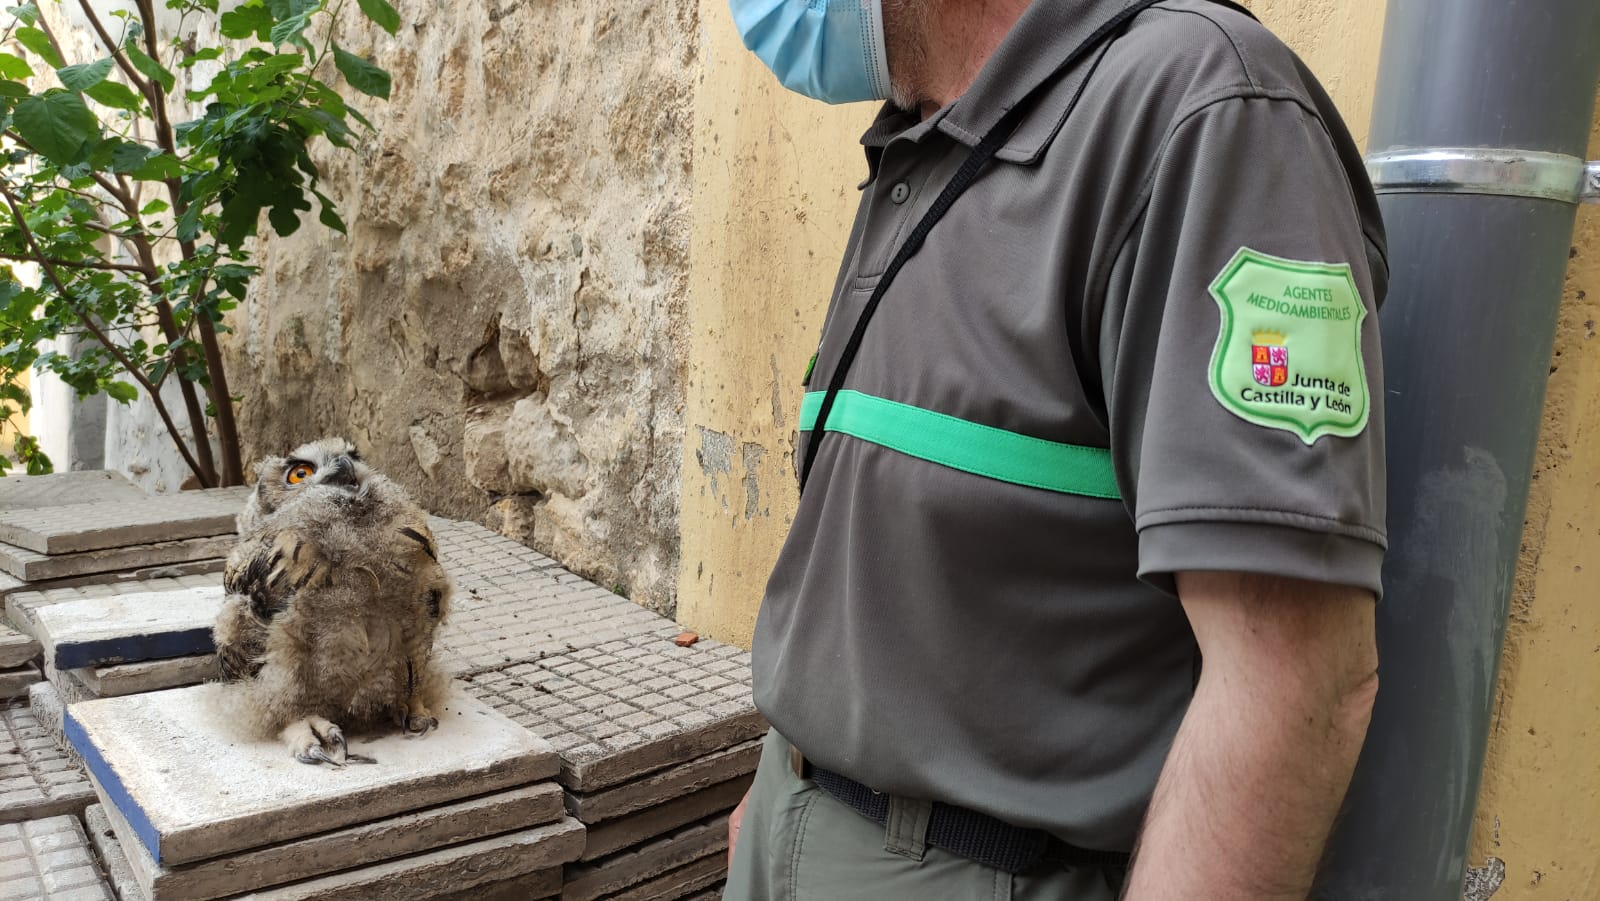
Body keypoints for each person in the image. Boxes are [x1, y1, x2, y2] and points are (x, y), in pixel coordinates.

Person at [722, 0, 1389, 897]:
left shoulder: (1201, 108)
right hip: (792, 823)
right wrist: (787, 788)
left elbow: (1296, 685)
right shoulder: (932, 138)